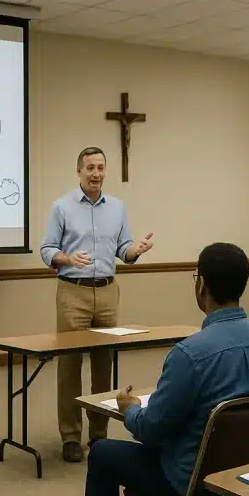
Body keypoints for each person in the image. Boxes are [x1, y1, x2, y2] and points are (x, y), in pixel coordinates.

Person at [81, 243, 249, 496]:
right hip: (244, 482)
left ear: (202, 284)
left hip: (191, 488)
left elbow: (152, 431)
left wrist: (130, 410)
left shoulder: (190, 354)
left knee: (102, 453)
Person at [40, 146, 154, 463]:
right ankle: (71, 437)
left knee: (104, 364)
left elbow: (124, 251)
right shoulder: (62, 207)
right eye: (90, 167)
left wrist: (137, 250)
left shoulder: (117, 207)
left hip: (106, 291)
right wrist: (67, 257)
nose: (96, 174)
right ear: (79, 171)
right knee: (70, 366)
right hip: (72, 291)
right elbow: (47, 250)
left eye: (101, 168)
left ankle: (99, 434)